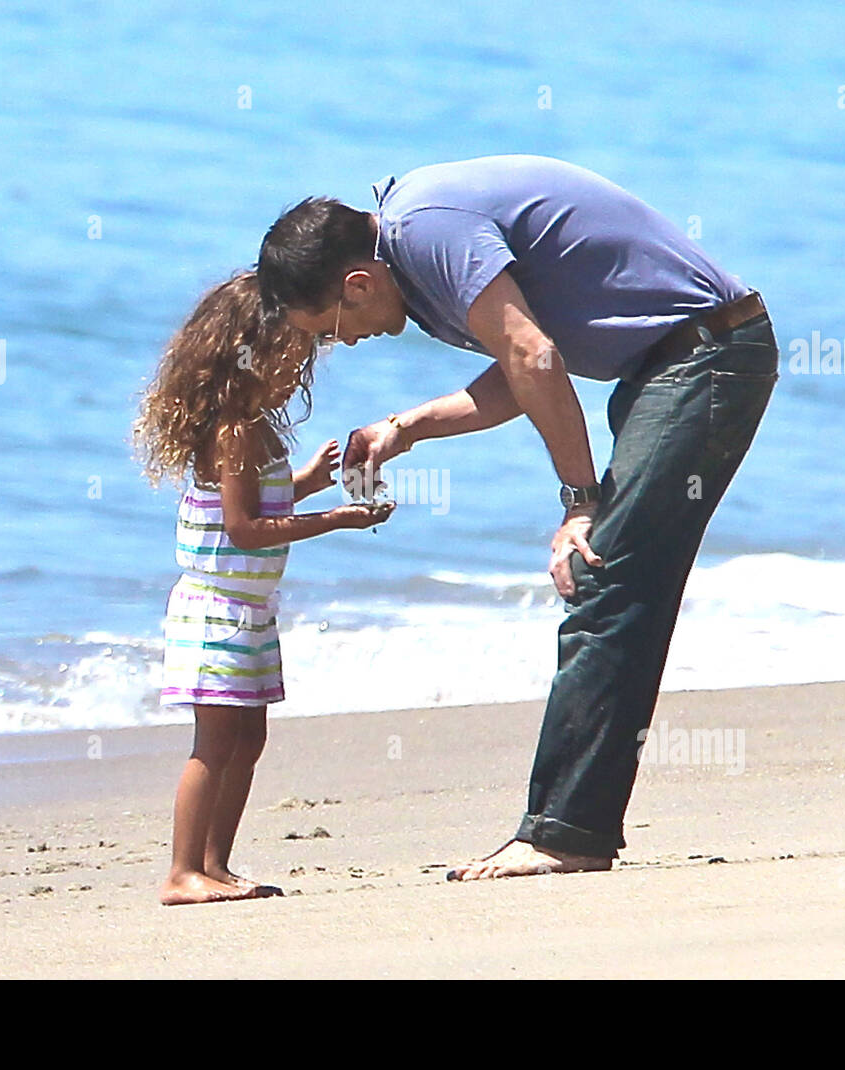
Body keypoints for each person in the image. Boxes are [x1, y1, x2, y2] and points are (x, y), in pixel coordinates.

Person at [256, 155, 779, 881]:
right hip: (668, 366)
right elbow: (520, 367)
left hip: (706, 357)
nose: (340, 342)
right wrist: (404, 429)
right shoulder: (412, 248)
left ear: (357, 283)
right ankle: (569, 828)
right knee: (612, 584)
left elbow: (533, 357)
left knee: (607, 578)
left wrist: (580, 502)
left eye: (330, 326)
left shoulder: (428, 230)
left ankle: (567, 834)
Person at [135, 271, 394, 905]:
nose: (296, 375)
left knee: (249, 739)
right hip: (215, 612)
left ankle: (215, 865)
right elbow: (246, 529)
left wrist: (307, 484)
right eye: (289, 361)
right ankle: (181, 871)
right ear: (243, 358)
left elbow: (262, 504)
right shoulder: (233, 431)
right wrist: (333, 519)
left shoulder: (259, 430)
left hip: (251, 611)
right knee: (215, 741)